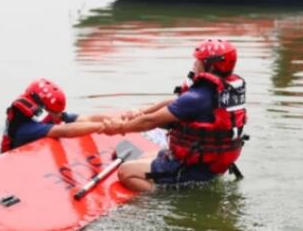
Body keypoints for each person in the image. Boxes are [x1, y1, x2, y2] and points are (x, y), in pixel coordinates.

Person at [101, 39, 248, 192]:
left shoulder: (198, 98)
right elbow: (174, 102)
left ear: (210, 66)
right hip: (212, 165)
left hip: (193, 169)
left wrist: (119, 128)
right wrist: (141, 112)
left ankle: (165, 196)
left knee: (126, 172)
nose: (194, 63)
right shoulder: (225, 91)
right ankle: (169, 177)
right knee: (143, 156)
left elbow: (149, 122)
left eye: (198, 60)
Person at [0, 78, 110, 153]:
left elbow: (86, 118)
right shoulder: (26, 128)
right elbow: (65, 131)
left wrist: (119, 120)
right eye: (56, 112)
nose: (60, 115)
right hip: (14, 163)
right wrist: (104, 127)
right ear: (43, 110)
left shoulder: (44, 115)